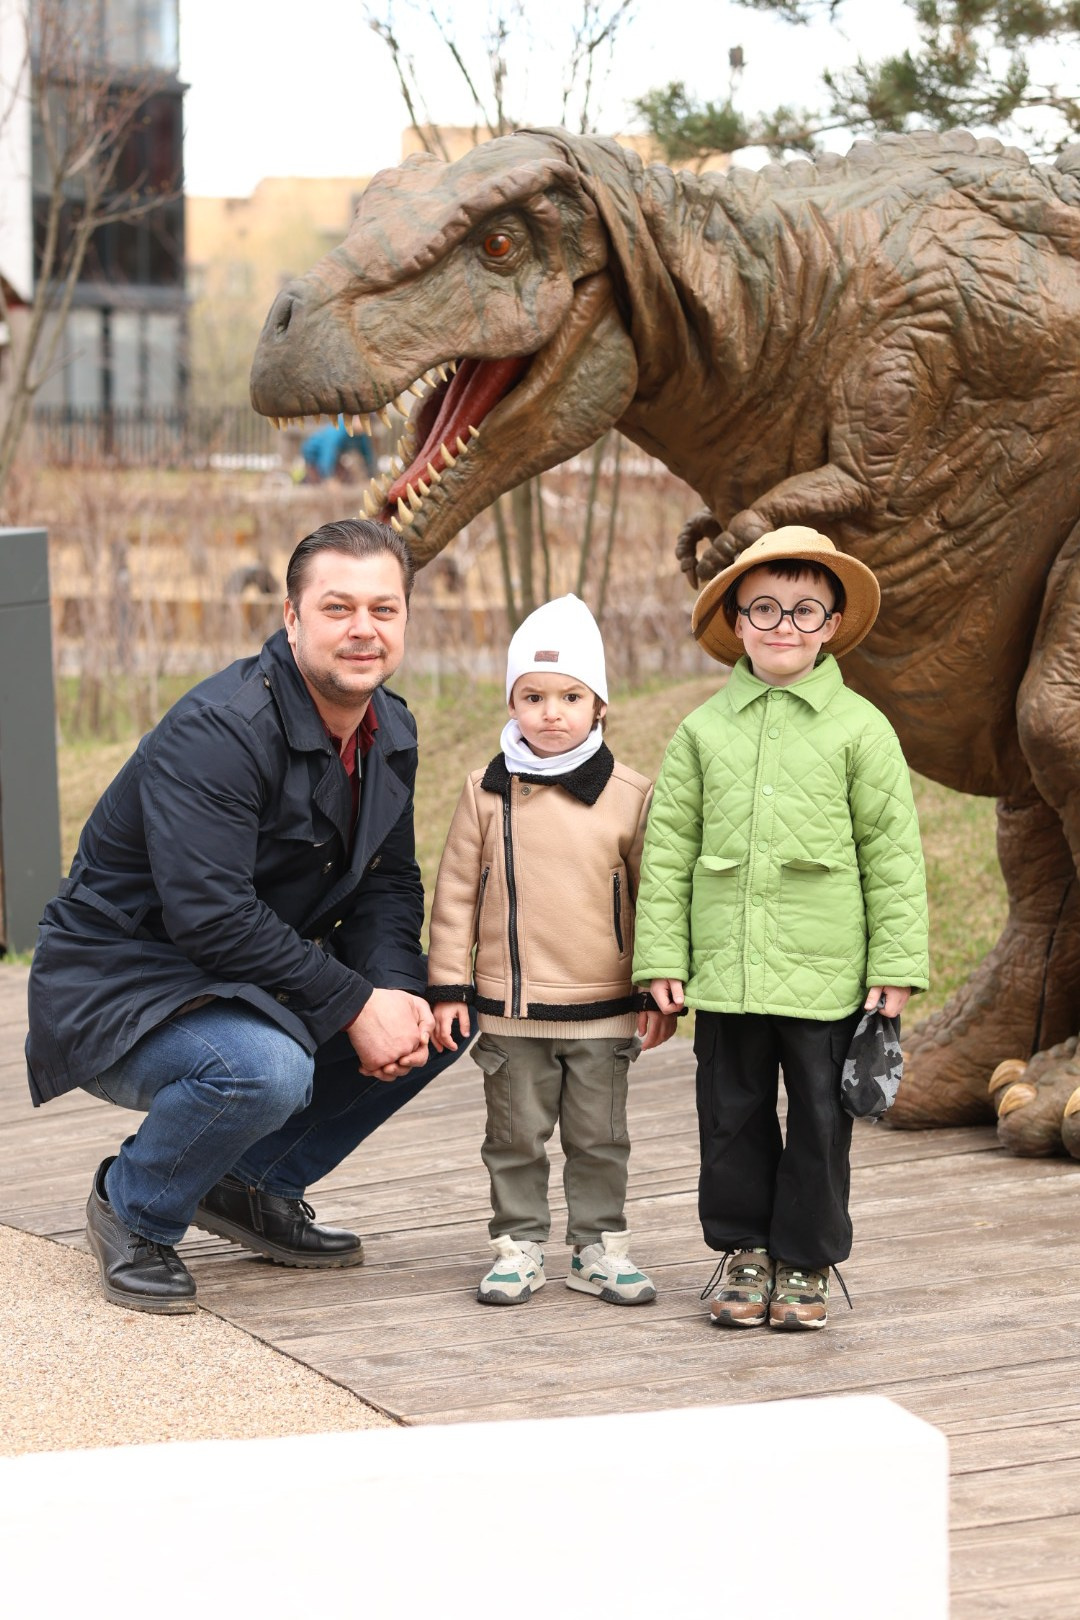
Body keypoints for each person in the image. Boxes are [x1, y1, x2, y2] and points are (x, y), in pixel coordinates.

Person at [25, 518, 461, 1315]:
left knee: (447, 1013)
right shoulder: (219, 731)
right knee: (262, 1069)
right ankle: (136, 1204)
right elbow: (212, 917)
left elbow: (388, 884)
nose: (363, 629)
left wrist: (396, 993)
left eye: (384, 609)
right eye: (337, 608)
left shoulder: (389, 727)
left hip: (245, 982)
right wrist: (355, 1005)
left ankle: (252, 1183)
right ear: (291, 619)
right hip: (124, 985)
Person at [632, 527, 930, 1331]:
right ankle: (744, 1250)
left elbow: (893, 854)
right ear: (736, 620)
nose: (783, 626)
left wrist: (895, 962)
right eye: (764, 609)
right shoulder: (703, 731)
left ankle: (805, 1260)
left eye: (805, 611)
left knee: (820, 1118)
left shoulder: (861, 729)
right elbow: (668, 852)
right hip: (727, 968)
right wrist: (661, 954)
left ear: (831, 624)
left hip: (825, 969)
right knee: (730, 1110)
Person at [427, 594, 677, 1307]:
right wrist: (449, 987)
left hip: (601, 1007)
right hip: (511, 1010)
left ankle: (598, 1246)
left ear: (599, 705)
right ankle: (518, 1244)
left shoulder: (629, 795)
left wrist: (655, 988)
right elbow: (454, 897)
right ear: (512, 701)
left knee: (600, 1138)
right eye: (532, 696)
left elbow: (655, 899)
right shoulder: (485, 791)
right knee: (513, 1136)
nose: (551, 712)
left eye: (571, 696)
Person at [300, 415, 376, 481]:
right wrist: (328, 478)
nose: (367, 424)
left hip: (335, 456)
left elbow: (368, 456)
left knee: (345, 474)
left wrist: (371, 476)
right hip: (314, 454)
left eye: (370, 422)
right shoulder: (339, 429)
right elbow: (328, 452)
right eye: (363, 420)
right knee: (319, 478)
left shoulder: (361, 436)